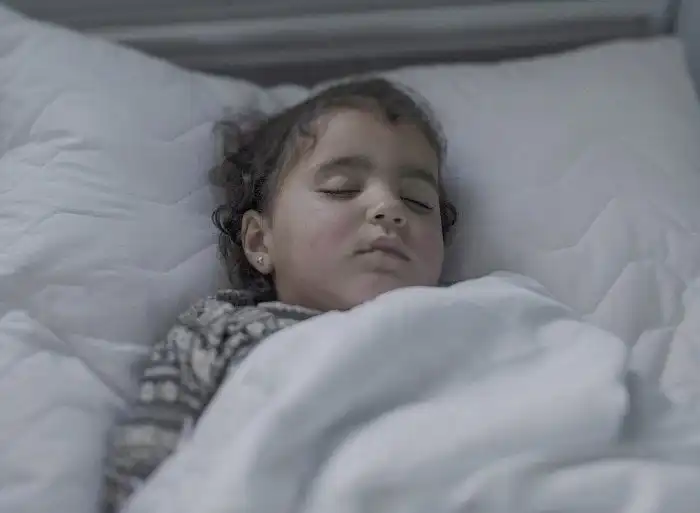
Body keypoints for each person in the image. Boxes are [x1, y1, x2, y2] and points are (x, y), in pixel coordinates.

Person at [100, 77, 458, 512]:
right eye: (342, 187)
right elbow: (145, 462)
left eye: (418, 200)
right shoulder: (223, 327)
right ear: (259, 241)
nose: (389, 208)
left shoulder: (469, 316)